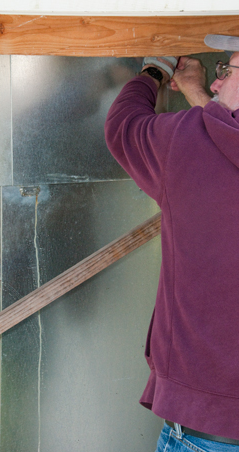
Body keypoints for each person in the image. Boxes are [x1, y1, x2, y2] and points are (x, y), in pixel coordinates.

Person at [105, 35, 239, 451]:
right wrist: (201, 97)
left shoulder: (185, 141)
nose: (216, 84)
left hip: (208, 434)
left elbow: (122, 126)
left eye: (227, 70)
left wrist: (155, 71)